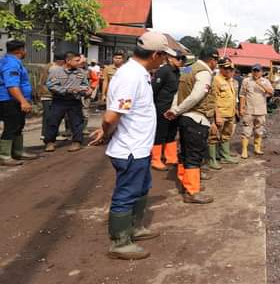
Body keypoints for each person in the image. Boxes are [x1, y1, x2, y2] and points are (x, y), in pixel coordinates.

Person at [88, 31, 176, 260]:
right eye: (163, 56)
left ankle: (134, 228)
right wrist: (106, 131)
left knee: (142, 187)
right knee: (126, 193)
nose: (164, 60)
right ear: (156, 54)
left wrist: (107, 128)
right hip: (130, 149)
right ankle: (120, 241)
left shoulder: (140, 73)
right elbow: (111, 116)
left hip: (139, 147)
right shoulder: (131, 76)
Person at [164, 48, 218, 204]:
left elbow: (178, 93)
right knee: (194, 156)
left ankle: (185, 183)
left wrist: (176, 109)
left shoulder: (187, 69)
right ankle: (192, 191)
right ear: (212, 60)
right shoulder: (204, 72)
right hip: (197, 118)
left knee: (185, 154)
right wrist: (177, 109)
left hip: (185, 118)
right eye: (216, 62)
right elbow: (196, 96)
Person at [44, 51, 91, 152]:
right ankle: (50, 142)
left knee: (77, 122)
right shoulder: (55, 71)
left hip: (75, 101)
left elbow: (85, 85)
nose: (79, 62)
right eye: (77, 60)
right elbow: (51, 85)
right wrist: (66, 90)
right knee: (53, 121)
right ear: (68, 60)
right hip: (59, 100)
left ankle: (77, 142)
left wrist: (85, 90)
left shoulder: (81, 72)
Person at [0, 40, 36, 165]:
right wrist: (23, 101)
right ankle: (4, 156)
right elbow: (11, 85)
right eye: (24, 49)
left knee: (18, 125)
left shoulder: (11, 61)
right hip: (10, 100)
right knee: (11, 126)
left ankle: (17, 151)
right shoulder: (11, 63)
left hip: (13, 100)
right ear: (19, 51)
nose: (25, 52)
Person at [150, 51, 185, 171]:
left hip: (173, 108)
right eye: (178, 58)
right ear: (170, 58)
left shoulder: (177, 72)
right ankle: (156, 159)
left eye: (182, 59)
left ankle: (170, 157)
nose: (181, 61)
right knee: (160, 133)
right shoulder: (163, 71)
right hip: (161, 107)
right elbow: (153, 90)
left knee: (172, 132)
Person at [207, 57, 239, 170]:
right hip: (221, 114)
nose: (229, 71)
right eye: (226, 68)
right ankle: (212, 160)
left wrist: (235, 110)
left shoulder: (229, 80)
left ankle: (225, 155)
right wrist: (217, 115)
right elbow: (213, 99)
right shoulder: (216, 80)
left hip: (230, 113)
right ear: (220, 68)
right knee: (213, 136)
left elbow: (232, 97)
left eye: (231, 68)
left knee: (226, 135)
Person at [239, 63, 274, 159]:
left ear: (261, 72)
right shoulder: (246, 81)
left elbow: (271, 92)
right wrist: (241, 107)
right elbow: (242, 95)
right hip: (249, 110)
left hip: (261, 111)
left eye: (258, 71)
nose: (256, 72)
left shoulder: (265, 81)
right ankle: (244, 150)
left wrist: (261, 85)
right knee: (246, 131)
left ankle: (257, 148)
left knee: (259, 131)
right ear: (252, 71)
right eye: (254, 70)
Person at [39, 52, 65, 140]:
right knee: (48, 116)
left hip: (50, 94)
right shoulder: (52, 68)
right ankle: (45, 134)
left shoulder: (50, 66)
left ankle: (54, 134)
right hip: (48, 95)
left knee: (54, 116)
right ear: (60, 61)